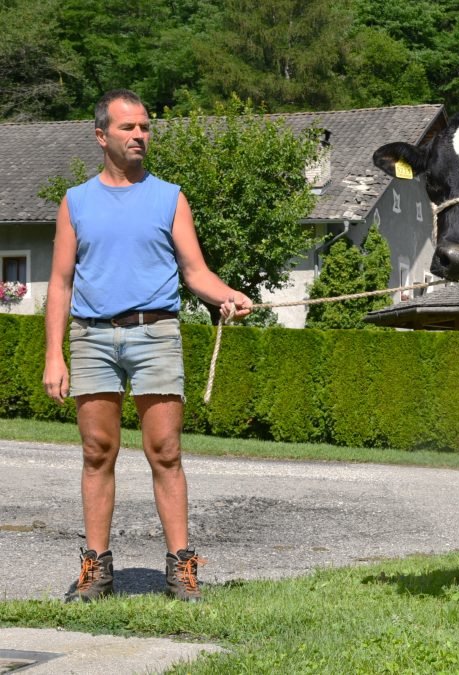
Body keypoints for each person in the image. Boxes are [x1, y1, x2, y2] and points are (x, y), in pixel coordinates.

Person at [43, 89, 252, 602]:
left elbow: (195, 272)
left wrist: (228, 295)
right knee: (97, 452)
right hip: (91, 336)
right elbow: (60, 283)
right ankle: (96, 571)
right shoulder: (76, 201)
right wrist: (54, 354)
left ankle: (181, 569)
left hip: (155, 332)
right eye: (128, 128)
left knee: (165, 451)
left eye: (144, 127)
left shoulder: (169, 196)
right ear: (101, 136)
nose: (139, 135)